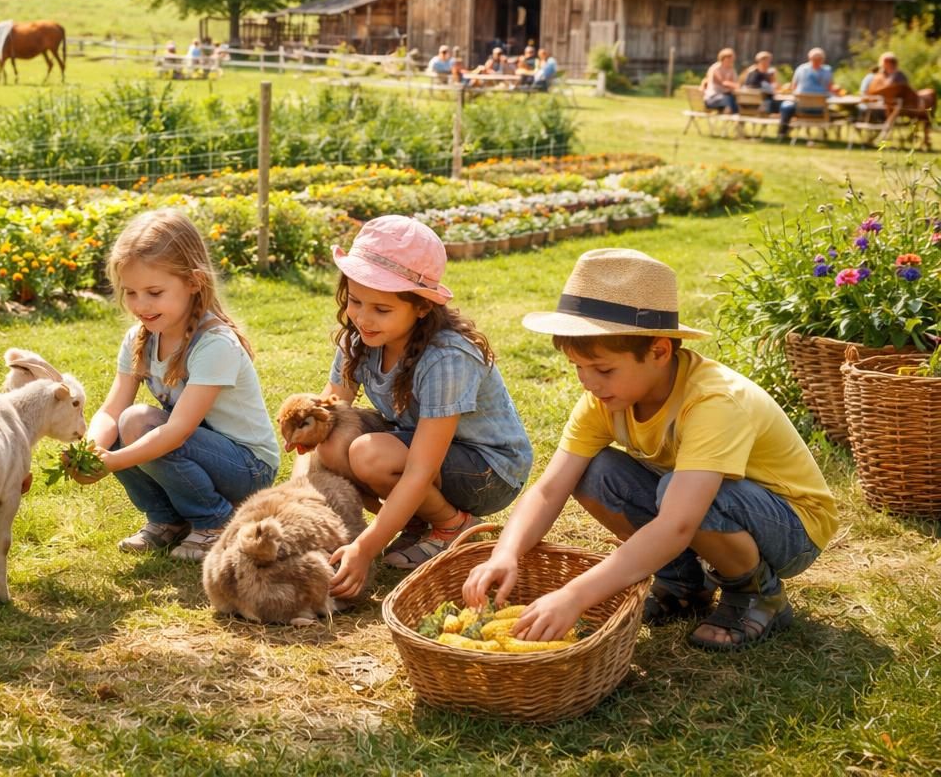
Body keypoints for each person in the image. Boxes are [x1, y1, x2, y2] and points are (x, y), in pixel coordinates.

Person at [466, 249, 836, 651]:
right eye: (578, 367)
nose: (588, 382)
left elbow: (678, 523)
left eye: (603, 369)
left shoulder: (714, 401)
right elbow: (549, 489)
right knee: (593, 472)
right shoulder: (605, 400)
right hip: (699, 503)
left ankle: (757, 593)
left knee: (684, 494)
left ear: (659, 352)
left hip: (791, 527)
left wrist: (575, 595)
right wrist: (506, 553)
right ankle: (683, 583)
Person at [325, 216, 532, 598]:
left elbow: (421, 468)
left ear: (421, 307)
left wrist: (365, 549)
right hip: (425, 451)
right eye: (355, 301)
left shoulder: (446, 357)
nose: (363, 319)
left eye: (381, 309)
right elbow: (325, 415)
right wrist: (297, 499)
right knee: (331, 442)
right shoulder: (359, 341)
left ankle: (453, 525)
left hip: (489, 470)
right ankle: (417, 521)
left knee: (369, 454)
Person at [66, 208, 278, 562]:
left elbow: (177, 431)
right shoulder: (140, 338)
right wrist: (91, 452)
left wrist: (113, 462)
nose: (140, 305)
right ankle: (167, 520)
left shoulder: (215, 344)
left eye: (154, 292)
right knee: (119, 427)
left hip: (248, 469)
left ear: (194, 282)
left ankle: (216, 521)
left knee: (138, 424)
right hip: (201, 454)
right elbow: (111, 410)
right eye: (130, 293)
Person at [777, 47, 844, 138]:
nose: (816, 61)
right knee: (838, 111)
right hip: (821, 111)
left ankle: (782, 132)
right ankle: (783, 132)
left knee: (786, 106)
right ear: (823, 60)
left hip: (801, 110)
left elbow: (793, 87)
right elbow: (830, 87)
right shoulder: (827, 70)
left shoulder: (801, 68)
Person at [700, 48, 740, 114]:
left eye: (732, 59)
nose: (731, 61)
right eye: (729, 59)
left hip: (727, 96)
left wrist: (733, 85)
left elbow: (736, 84)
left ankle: (735, 116)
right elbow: (723, 83)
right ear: (723, 58)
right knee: (728, 100)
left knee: (736, 101)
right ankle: (730, 115)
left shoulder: (732, 69)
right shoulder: (715, 68)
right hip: (713, 98)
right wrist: (732, 85)